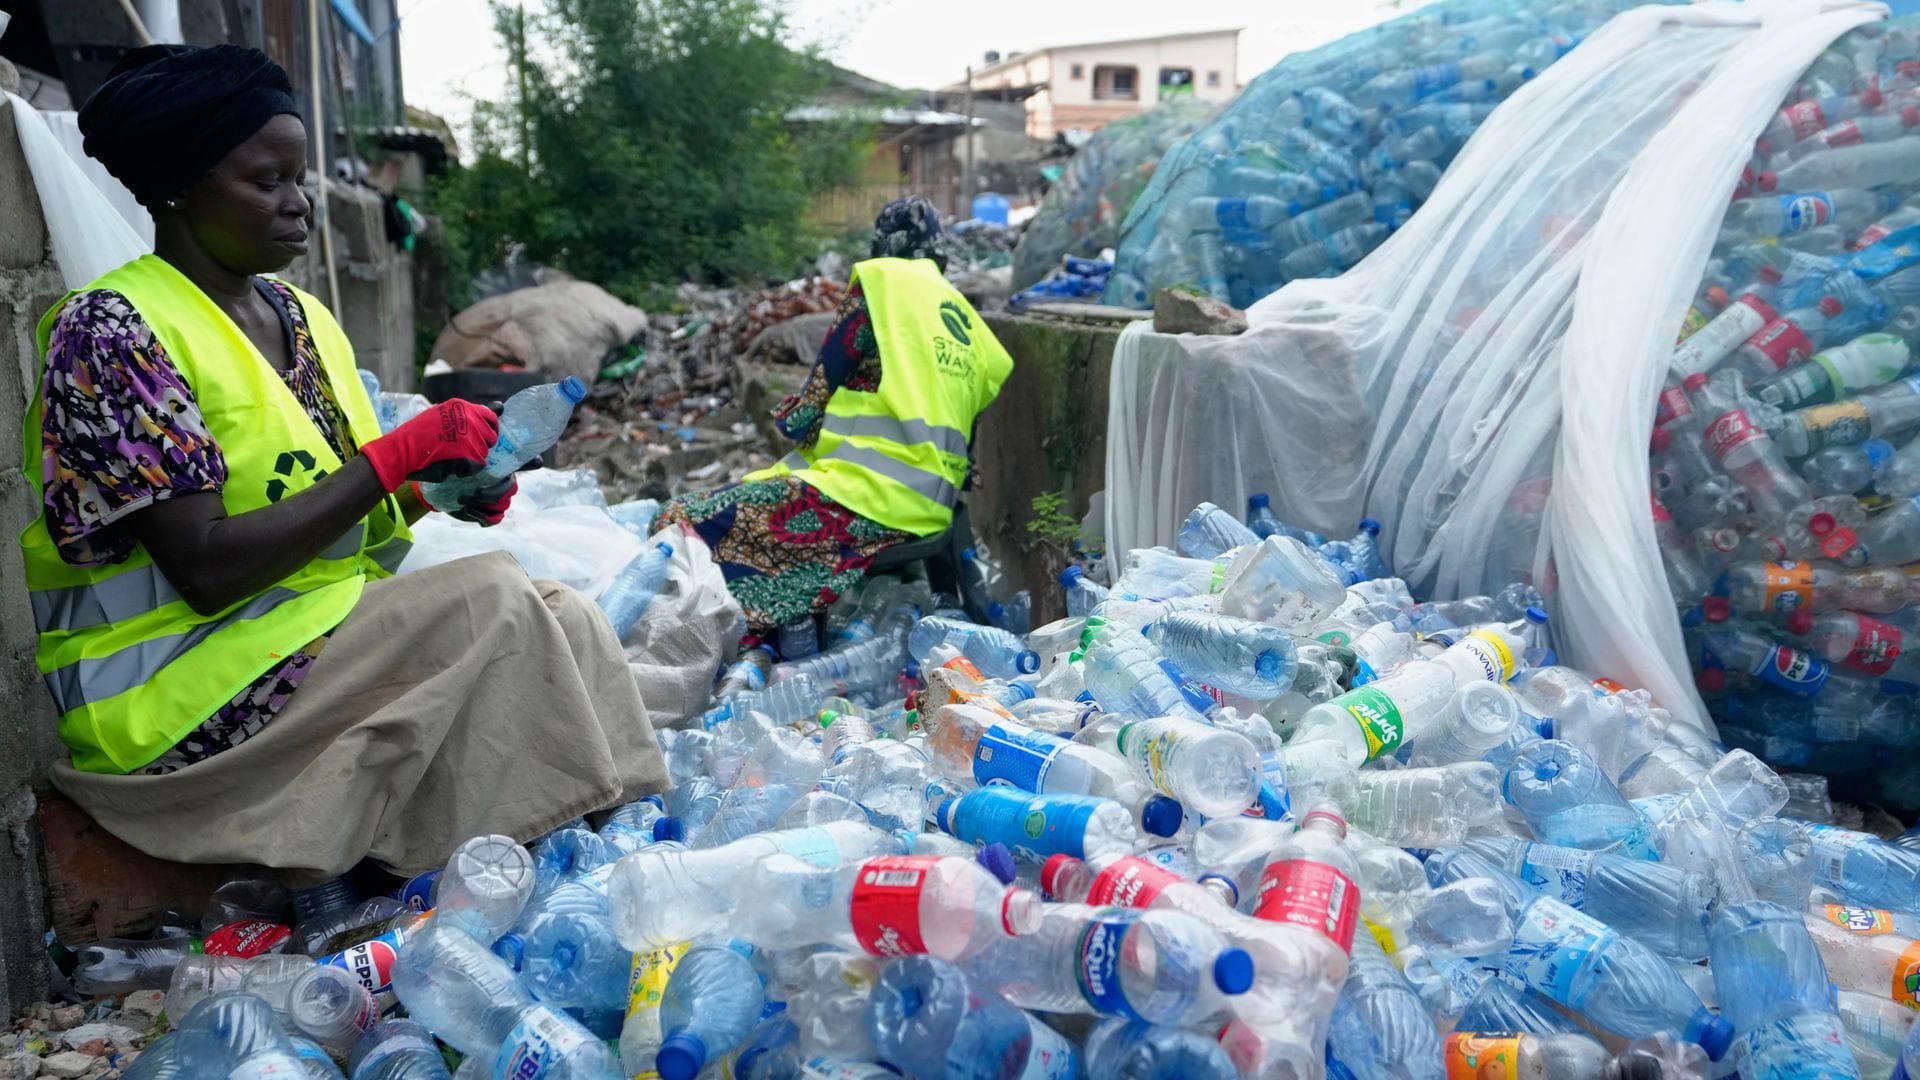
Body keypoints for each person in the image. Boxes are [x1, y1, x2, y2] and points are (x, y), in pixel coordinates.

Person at [17, 45, 665, 881]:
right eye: (267, 182)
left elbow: (338, 517)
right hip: (171, 697)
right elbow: (206, 569)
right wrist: (397, 457)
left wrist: (437, 492)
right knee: (491, 600)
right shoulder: (110, 332)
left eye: (299, 178)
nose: (300, 203)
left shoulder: (301, 317)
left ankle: (624, 852)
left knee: (566, 614)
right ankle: (514, 878)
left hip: (297, 644)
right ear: (178, 188)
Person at [658, 197, 1013, 643]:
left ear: (884, 244)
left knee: (678, 518)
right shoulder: (970, 325)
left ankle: (724, 640)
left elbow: (810, 405)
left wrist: (790, 419)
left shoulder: (884, 286)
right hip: (934, 507)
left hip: (866, 499)